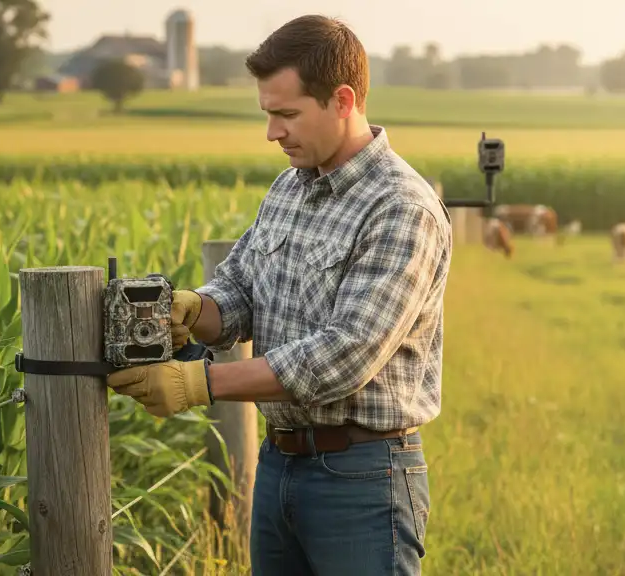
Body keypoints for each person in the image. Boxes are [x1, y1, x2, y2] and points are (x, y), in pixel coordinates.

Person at [105, 14, 453, 576]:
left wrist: (199, 383)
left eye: (286, 114)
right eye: (268, 113)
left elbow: (346, 354)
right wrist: (193, 311)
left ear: (342, 100)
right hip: (278, 465)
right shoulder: (289, 187)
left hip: (362, 477)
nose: (272, 132)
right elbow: (241, 289)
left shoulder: (400, 207)